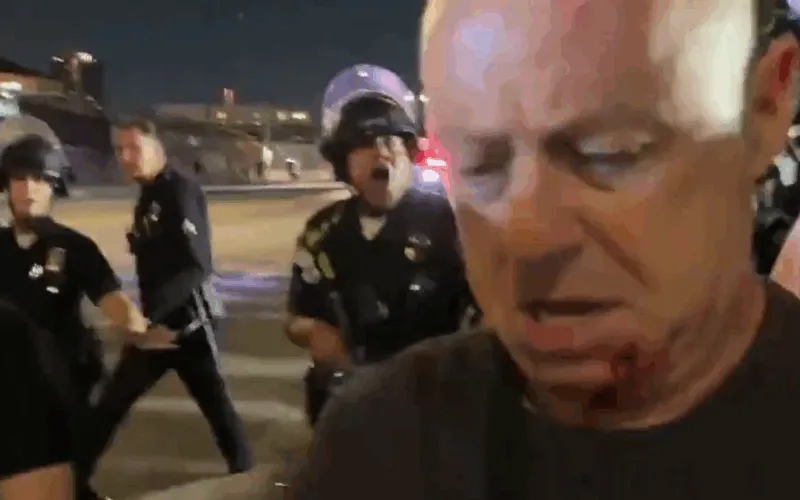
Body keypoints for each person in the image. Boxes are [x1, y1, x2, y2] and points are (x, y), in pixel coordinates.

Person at [293, 1, 800, 499]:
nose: (525, 237)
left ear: (765, 105)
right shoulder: (375, 449)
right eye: (479, 165)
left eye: (610, 153)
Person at [285, 64, 476, 426]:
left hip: (436, 407)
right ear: (343, 162)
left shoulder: (450, 224)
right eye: (365, 144)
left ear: (409, 153)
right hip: (349, 406)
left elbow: (492, 318)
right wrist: (314, 331)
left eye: (391, 141)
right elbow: (298, 314)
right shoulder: (322, 233)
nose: (381, 153)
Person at [82, 117, 253, 481]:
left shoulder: (180, 191)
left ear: (156, 148)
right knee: (110, 405)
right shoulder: (148, 195)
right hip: (157, 328)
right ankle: (73, 484)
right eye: (119, 150)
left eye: (134, 148)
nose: (125, 157)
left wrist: (148, 320)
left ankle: (247, 478)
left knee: (218, 412)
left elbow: (197, 265)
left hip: (191, 327)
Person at [0, 134, 159, 500]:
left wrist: (136, 327)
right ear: (5, 185)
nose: (28, 188)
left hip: (56, 391)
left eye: (39, 179)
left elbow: (115, 303)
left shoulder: (74, 247)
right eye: (19, 178)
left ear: (54, 186)